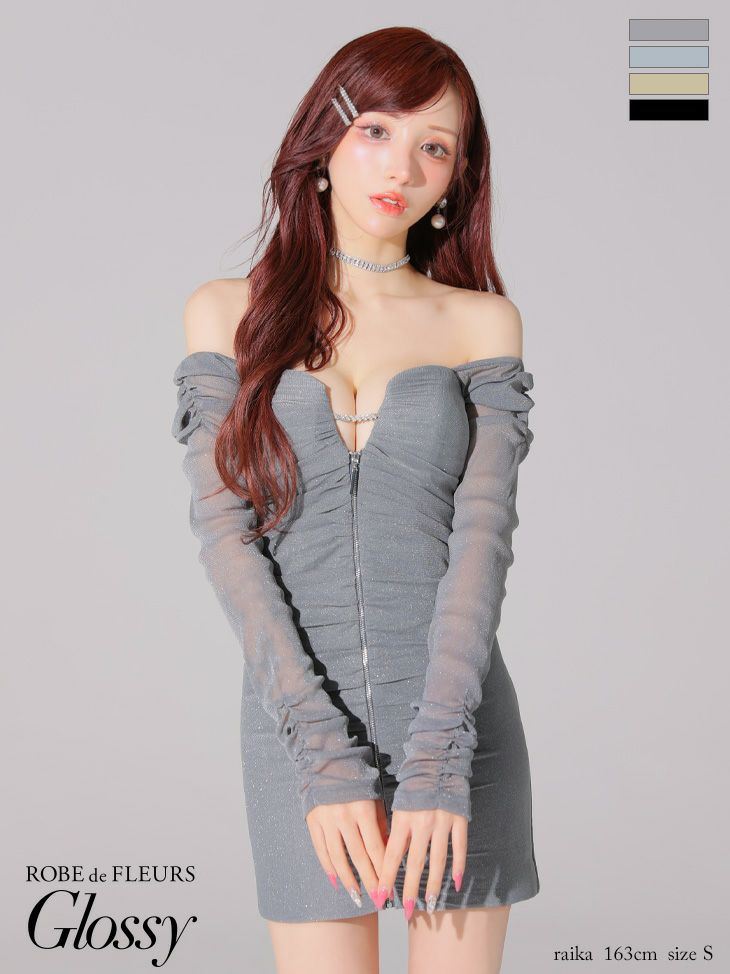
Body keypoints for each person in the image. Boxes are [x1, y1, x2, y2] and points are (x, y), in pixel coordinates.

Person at [171, 26, 539, 974]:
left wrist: (439, 762)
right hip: (298, 736)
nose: (402, 168)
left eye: (434, 147)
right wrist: (322, 759)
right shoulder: (227, 313)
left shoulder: (481, 324)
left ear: (456, 177)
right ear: (324, 140)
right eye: (377, 129)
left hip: (456, 728)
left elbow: (483, 544)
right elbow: (227, 540)